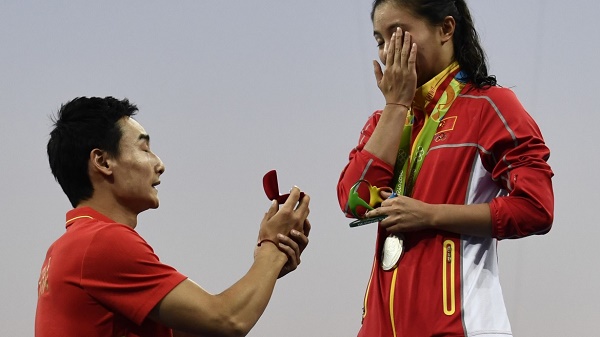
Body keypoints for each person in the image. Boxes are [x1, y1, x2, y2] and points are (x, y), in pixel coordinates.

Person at [336, 1, 554, 336]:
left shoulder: (491, 105)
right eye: (380, 41)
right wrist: (396, 106)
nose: (389, 52)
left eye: (398, 35)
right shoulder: (384, 122)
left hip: (461, 326)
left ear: (446, 29)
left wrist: (431, 215)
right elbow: (355, 201)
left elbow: (535, 208)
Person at [36, 96, 311, 337]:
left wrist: (268, 268)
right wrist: (271, 250)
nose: (160, 164)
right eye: (144, 149)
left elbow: (203, 329)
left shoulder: (67, 247)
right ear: (104, 162)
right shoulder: (103, 242)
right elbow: (228, 319)